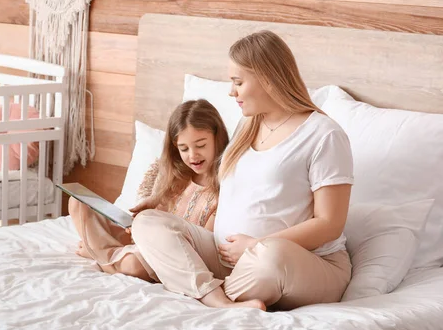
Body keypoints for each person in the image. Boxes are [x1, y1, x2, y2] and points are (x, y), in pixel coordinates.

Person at [131, 30, 354, 311]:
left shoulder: (323, 134)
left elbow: (330, 223)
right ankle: (217, 300)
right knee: (149, 222)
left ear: (268, 78)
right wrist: (165, 200)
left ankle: (191, 284)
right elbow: (231, 192)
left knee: (270, 259)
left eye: (238, 82)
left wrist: (258, 244)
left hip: (296, 263)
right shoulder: (247, 126)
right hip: (226, 257)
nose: (231, 91)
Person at [69, 99, 229, 281]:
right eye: (184, 149)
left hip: (172, 257)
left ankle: (98, 253)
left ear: (218, 138)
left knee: (133, 266)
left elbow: (204, 249)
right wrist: (142, 219)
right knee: (78, 203)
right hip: (145, 242)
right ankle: (105, 250)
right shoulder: (176, 176)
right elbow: (152, 220)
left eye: (200, 145)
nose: (193, 155)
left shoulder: (225, 186)